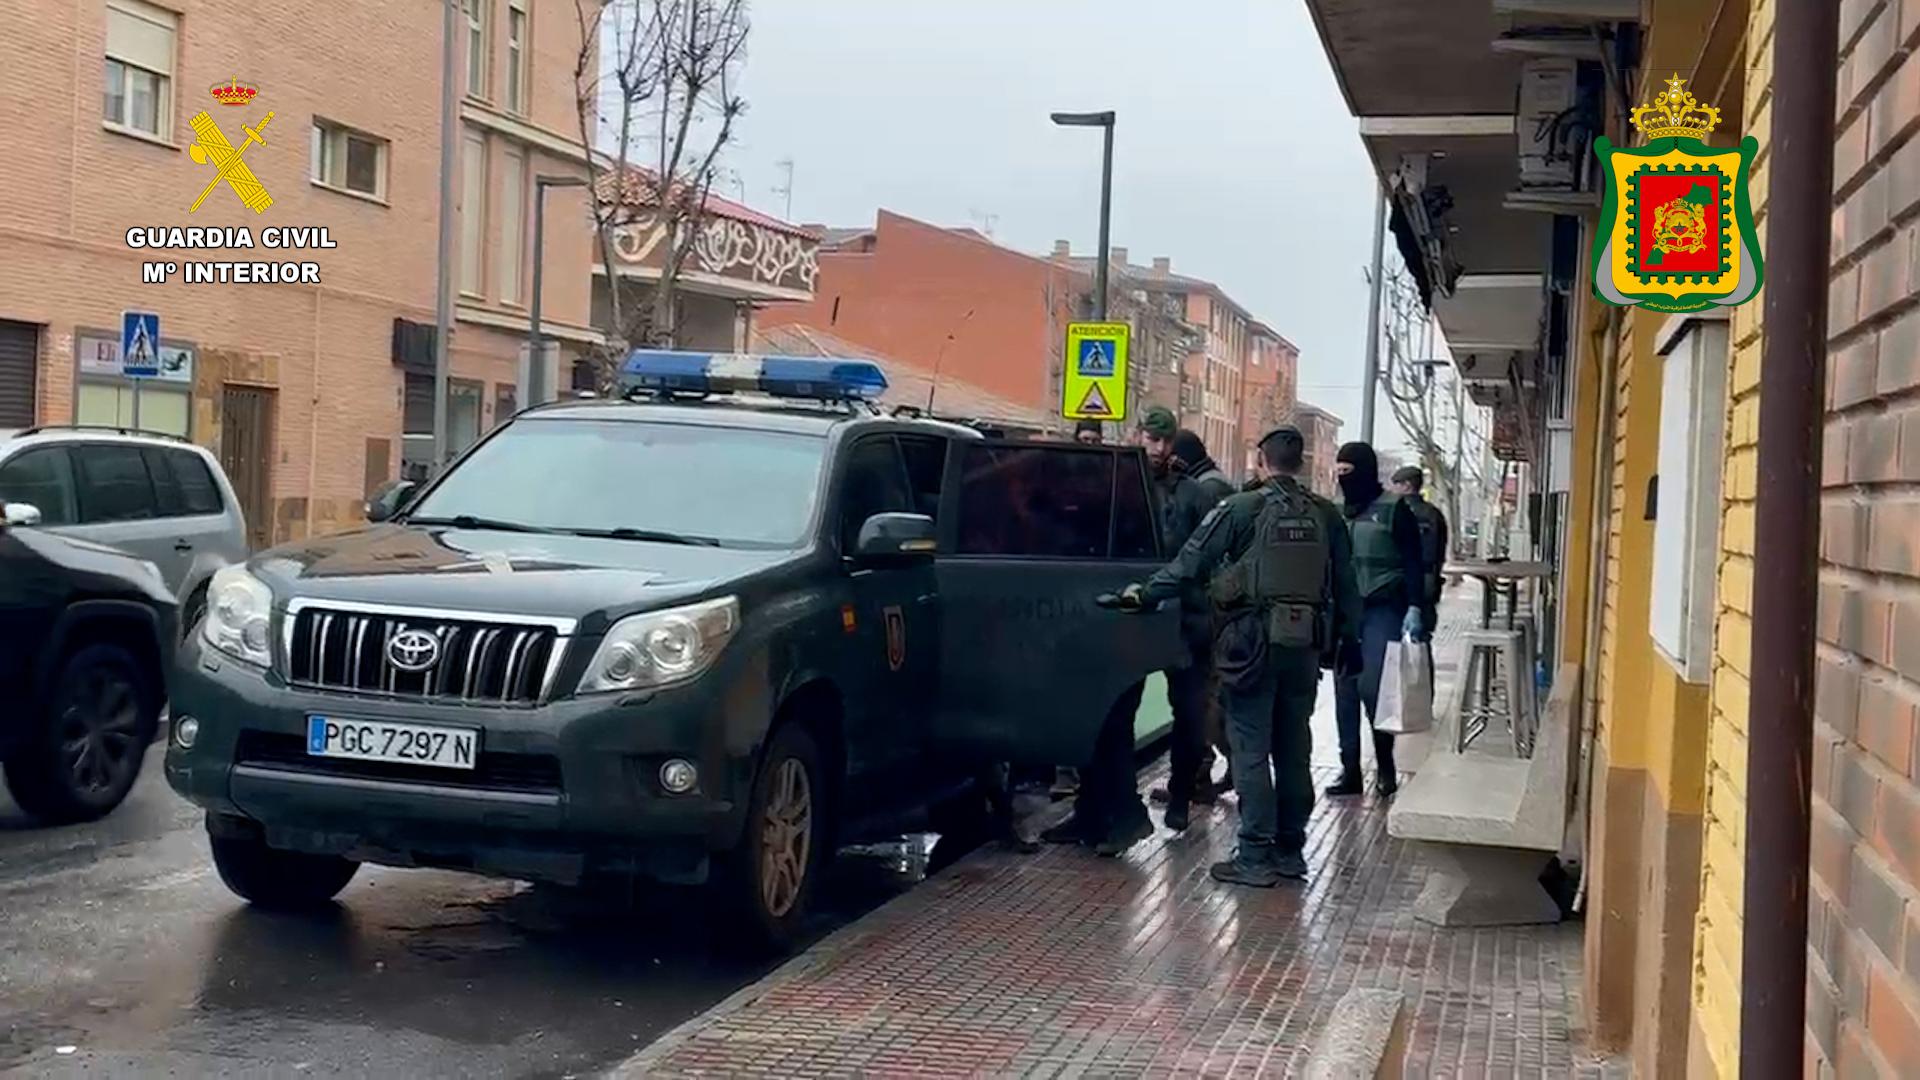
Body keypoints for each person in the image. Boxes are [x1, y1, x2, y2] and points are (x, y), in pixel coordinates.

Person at [1114, 426, 1361, 887]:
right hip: (1305, 644)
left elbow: (1189, 564)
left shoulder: (1242, 508)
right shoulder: (1326, 514)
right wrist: (1352, 642)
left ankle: (1253, 855)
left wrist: (1143, 595)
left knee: (1249, 748)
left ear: (1261, 462)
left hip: (1251, 644)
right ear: (1300, 463)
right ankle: (1291, 851)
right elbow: (1347, 585)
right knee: (1294, 748)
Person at [1135, 413, 1233, 830]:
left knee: (1191, 714)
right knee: (1118, 710)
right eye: (1151, 439)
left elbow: (1214, 555)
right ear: (1138, 436)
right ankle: (1112, 803)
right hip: (1135, 614)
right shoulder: (1126, 486)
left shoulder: (1194, 494)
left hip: (1187, 617)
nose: (1158, 448)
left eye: (1165, 440)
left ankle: (1180, 793)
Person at [1328, 442, 1432, 799]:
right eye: (1338, 472)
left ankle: (1385, 764)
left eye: (1349, 472)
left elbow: (1414, 561)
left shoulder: (1394, 510)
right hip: (1344, 612)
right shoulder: (1336, 511)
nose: (1343, 479)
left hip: (1383, 608)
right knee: (1344, 692)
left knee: (1373, 689)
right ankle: (1350, 770)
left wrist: (1415, 606)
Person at [1391, 465, 1450, 612]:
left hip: (1400, 577)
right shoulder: (1434, 514)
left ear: (1407, 486)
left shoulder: (1395, 512)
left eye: (1397, 484)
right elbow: (1440, 548)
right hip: (1428, 577)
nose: (1394, 490)